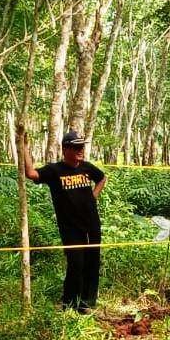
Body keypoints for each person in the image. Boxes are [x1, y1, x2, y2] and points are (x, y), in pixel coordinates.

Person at [21, 126, 107, 314]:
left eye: (82, 147)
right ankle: (69, 304)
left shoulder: (87, 167)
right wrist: (24, 147)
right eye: (76, 148)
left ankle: (86, 303)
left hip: (92, 224)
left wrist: (93, 197)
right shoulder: (55, 170)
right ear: (65, 149)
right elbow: (31, 174)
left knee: (92, 261)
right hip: (71, 228)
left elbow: (102, 178)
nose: (80, 151)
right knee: (76, 263)